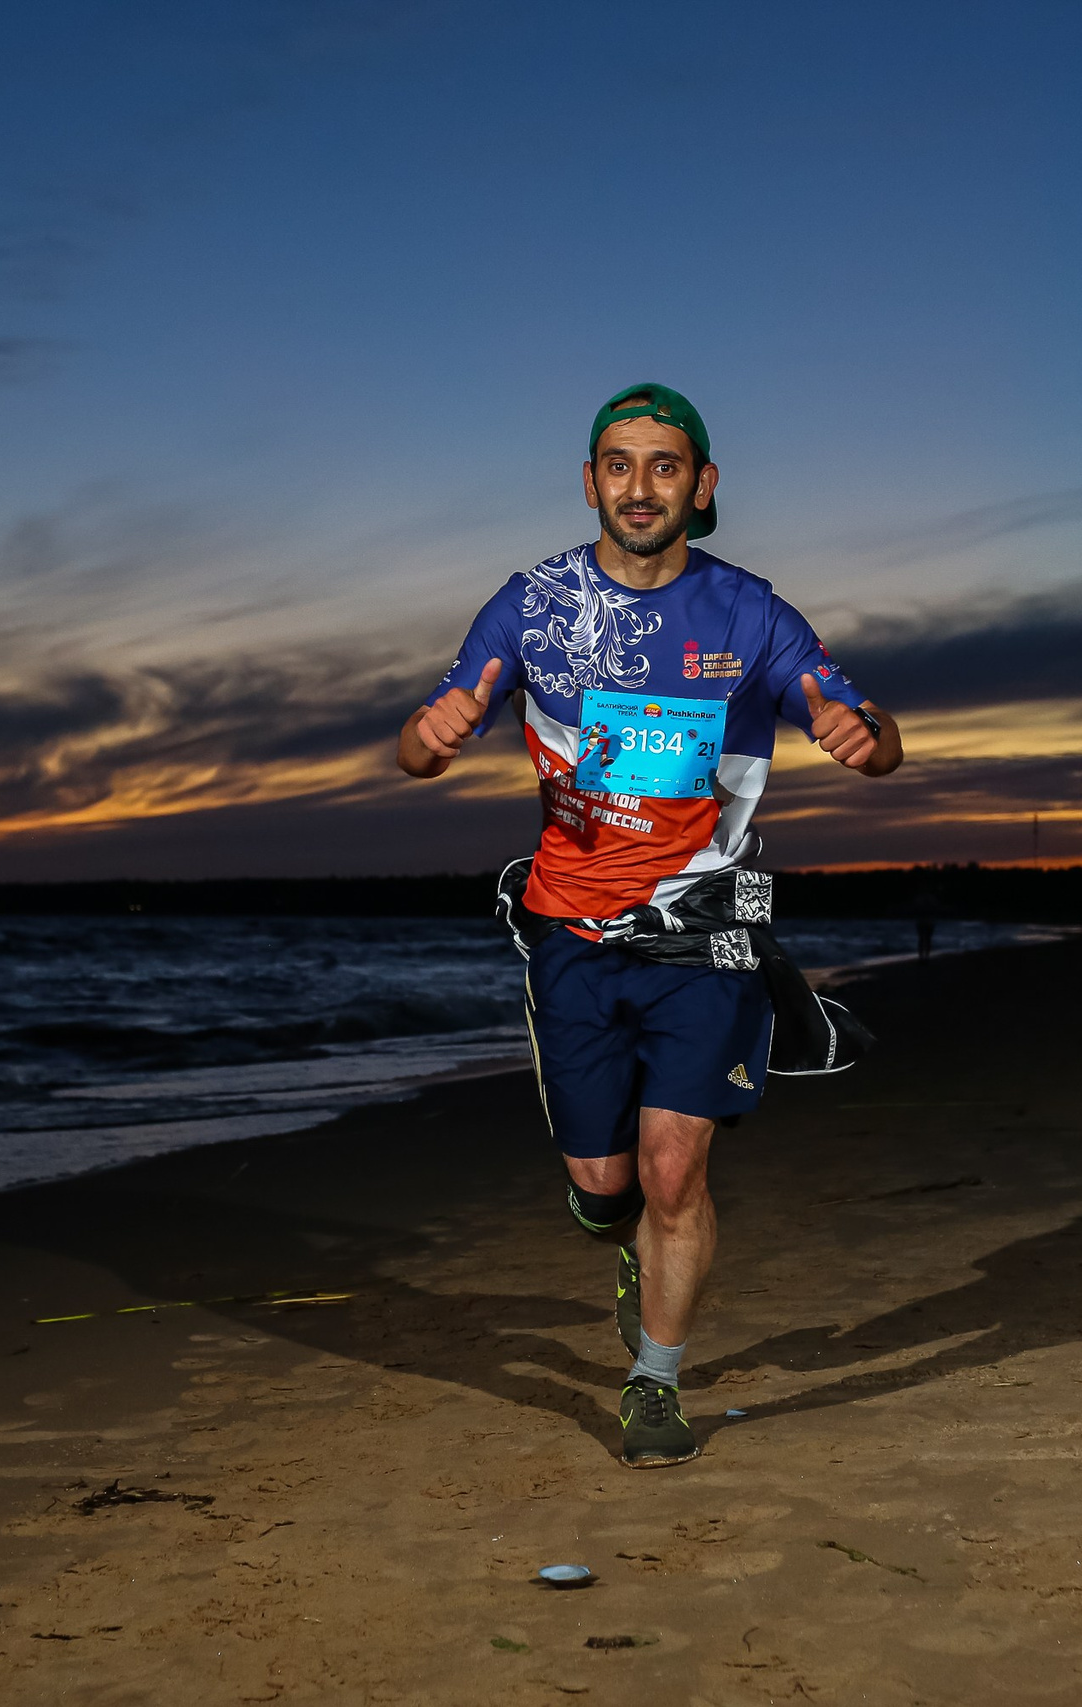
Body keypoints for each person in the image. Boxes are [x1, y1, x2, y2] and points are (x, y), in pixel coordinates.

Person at [396, 383, 903, 1467]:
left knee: (676, 1173)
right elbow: (428, 728)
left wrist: (858, 732)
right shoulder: (531, 605)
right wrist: (427, 736)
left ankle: (654, 1383)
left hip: (706, 931)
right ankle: (617, 1239)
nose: (639, 486)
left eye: (663, 465)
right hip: (569, 935)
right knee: (604, 1192)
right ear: (590, 483)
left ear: (701, 485)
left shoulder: (750, 613)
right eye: (618, 465)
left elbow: (858, 717)